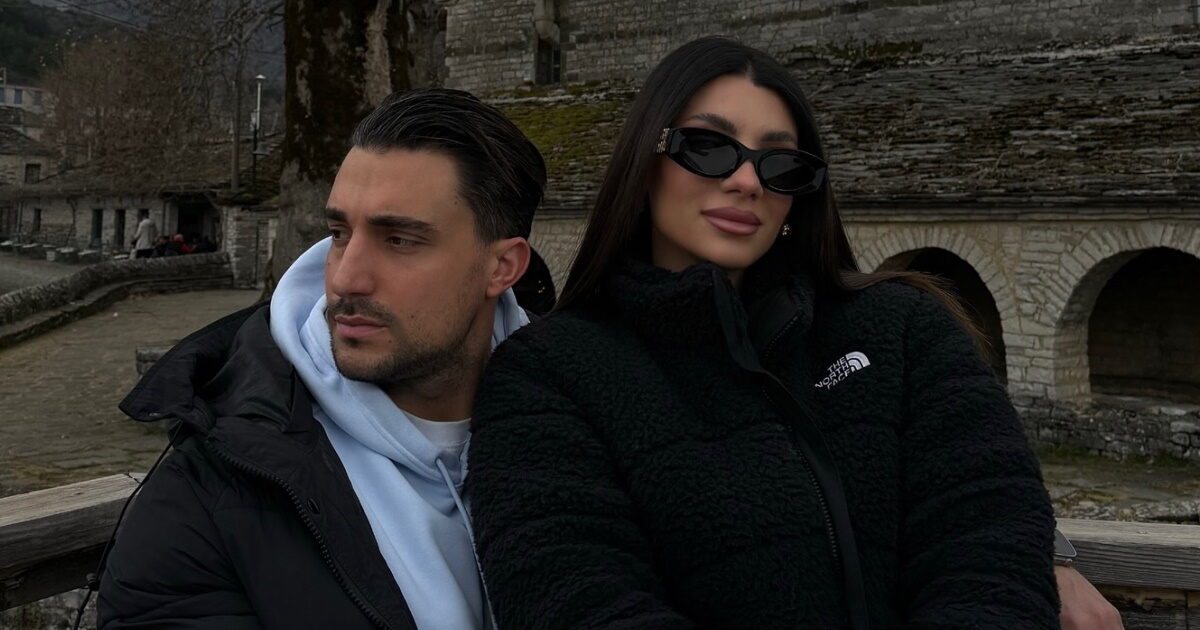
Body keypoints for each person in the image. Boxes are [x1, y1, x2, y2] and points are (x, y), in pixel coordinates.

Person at [466, 37, 1120, 630]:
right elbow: (574, 595)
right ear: (645, 165)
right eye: (708, 147)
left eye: (781, 165)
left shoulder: (904, 328)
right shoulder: (548, 376)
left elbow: (988, 533)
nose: (747, 181)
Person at [97, 88, 547, 629]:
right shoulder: (212, 495)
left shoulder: (586, 425)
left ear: (502, 268)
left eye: (400, 240)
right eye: (338, 234)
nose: (346, 278)